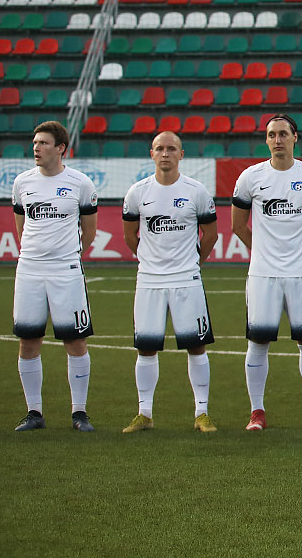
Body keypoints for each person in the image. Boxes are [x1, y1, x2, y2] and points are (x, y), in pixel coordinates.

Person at [231, 114, 302, 431]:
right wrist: (264, 251)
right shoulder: (250, 177)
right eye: (272, 134)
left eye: (283, 134)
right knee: (258, 343)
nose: (277, 140)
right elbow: (238, 225)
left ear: (295, 137)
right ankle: (257, 412)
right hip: (263, 275)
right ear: (266, 140)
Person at [120, 132, 220, 433]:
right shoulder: (137, 192)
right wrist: (149, 261)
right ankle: (144, 414)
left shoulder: (196, 191)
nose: (166, 153)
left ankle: (202, 413)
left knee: (196, 346)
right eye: (160, 148)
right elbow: (129, 235)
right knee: (146, 348)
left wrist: (193, 263)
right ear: (152, 153)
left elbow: (211, 234)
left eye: (171, 148)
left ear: (181, 154)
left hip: (186, 279)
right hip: (149, 280)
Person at [11, 121, 99, 432]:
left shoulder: (80, 183)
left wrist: (67, 255)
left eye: (44, 143)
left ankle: (79, 413)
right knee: (28, 341)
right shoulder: (22, 182)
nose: (36, 147)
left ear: (60, 148)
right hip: (29, 270)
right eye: (35, 142)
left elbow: (89, 232)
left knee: (75, 340)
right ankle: (34, 413)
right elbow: (21, 226)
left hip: (66, 271)